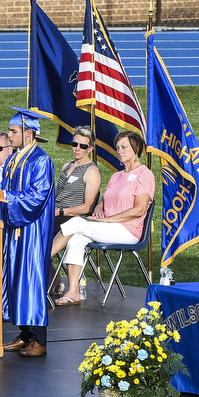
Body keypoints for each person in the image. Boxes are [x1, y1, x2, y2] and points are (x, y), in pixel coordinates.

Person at [49, 131, 153, 308]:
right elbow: (103, 201)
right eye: (118, 147)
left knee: (75, 222)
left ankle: (39, 260)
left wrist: (109, 219)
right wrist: (98, 210)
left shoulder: (145, 174)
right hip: (108, 225)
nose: (119, 151)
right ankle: (73, 292)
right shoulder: (116, 176)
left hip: (127, 230)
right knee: (76, 239)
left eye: (124, 147)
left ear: (136, 149)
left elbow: (139, 209)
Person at [0, 108, 56, 357]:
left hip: (31, 229)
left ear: (28, 133)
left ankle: (39, 339)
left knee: (30, 280)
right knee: (14, 279)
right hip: (15, 228)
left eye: (13, 131)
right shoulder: (14, 159)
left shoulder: (41, 160)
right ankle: (25, 335)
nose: (9, 136)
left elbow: (37, 197)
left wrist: (5, 198)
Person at [52, 126, 101, 236]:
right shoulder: (66, 166)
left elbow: (88, 207)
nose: (77, 148)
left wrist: (60, 211)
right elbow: (55, 195)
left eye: (82, 146)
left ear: (90, 149)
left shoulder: (91, 171)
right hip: (55, 214)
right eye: (74, 144)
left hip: (72, 218)